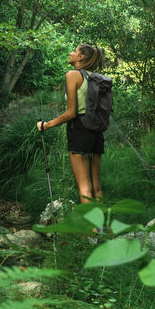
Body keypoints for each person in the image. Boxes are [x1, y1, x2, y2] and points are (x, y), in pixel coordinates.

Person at [37, 44, 105, 204]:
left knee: (84, 188)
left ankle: (91, 230)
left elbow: (71, 113)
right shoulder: (96, 78)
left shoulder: (73, 75)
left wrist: (46, 125)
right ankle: (103, 228)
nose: (70, 53)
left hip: (80, 130)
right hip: (96, 132)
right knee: (96, 188)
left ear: (81, 57)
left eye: (74, 51)